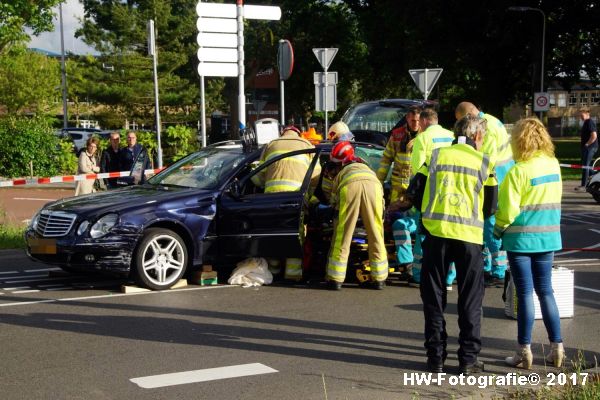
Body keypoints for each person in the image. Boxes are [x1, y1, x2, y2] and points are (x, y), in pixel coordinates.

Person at [409, 114, 497, 374]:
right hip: (469, 239)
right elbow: (491, 207)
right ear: (478, 136)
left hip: (436, 237)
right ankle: (468, 361)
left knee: (434, 298)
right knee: (470, 299)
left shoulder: (436, 156)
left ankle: (435, 358)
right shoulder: (484, 162)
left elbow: (415, 191)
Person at [494, 118, 564, 370]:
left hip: (521, 240)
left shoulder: (518, 170)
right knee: (546, 291)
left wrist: (497, 230)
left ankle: (524, 352)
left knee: (524, 294)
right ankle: (557, 348)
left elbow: (507, 212)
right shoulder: (554, 165)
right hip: (548, 238)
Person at [455, 102, 514, 288]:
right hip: (500, 178)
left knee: (489, 226)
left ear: (468, 116)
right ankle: (489, 267)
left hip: (495, 181)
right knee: (485, 226)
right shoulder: (491, 121)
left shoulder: (485, 127)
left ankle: (497, 270)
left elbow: (483, 159)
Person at [251, 126, 321, 281]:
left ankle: (274, 271)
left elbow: (257, 177)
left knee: (274, 235)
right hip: (295, 199)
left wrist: (264, 184)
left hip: (272, 199)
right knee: (295, 236)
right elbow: (316, 175)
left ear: (283, 133)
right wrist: (308, 193)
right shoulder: (307, 145)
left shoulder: (271, 145)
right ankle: (293, 274)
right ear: (297, 133)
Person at [326, 141, 388, 290]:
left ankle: (336, 279)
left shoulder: (341, 173)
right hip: (374, 187)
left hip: (349, 188)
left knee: (343, 235)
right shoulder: (366, 167)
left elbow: (333, 201)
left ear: (340, 163)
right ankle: (379, 279)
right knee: (376, 234)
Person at [406, 108, 456, 289]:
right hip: (451, 192)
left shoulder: (423, 138)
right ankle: (449, 278)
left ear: (425, 122)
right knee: (449, 233)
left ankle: (419, 274)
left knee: (424, 233)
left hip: (429, 194)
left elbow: (417, 169)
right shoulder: (451, 135)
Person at [377, 106, 422, 203]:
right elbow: (386, 160)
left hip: (416, 186)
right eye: (413, 120)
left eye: (418, 120)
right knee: (394, 214)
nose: (416, 124)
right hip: (398, 187)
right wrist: (379, 182)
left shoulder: (425, 135)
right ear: (407, 118)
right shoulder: (397, 135)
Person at [575, 108, 598, 191]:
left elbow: (594, 136)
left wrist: (587, 144)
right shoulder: (586, 122)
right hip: (588, 148)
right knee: (587, 166)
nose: (580, 117)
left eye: (582, 115)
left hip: (590, 148)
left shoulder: (589, 122)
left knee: (585, 166)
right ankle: (597, 177)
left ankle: (584, 186)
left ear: (587, 113)